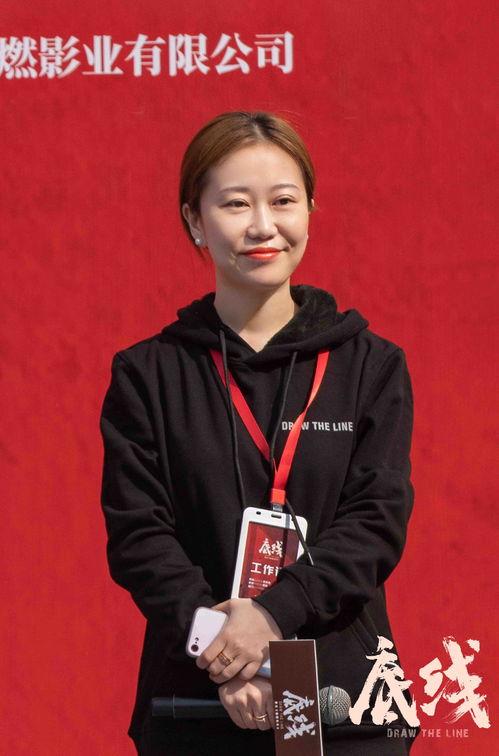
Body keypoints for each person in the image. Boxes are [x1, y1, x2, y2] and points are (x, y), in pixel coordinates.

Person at [99, 110, 419, 754]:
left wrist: (272, 617)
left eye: (283, 201)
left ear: (310, 211)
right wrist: (224, 646)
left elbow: (375, 521)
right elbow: (140, 537)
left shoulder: (370, 366)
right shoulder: (149, 374)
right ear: (195, 220)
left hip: (340, 703)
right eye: (236, 203)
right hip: (194, 701)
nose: (263, 225)